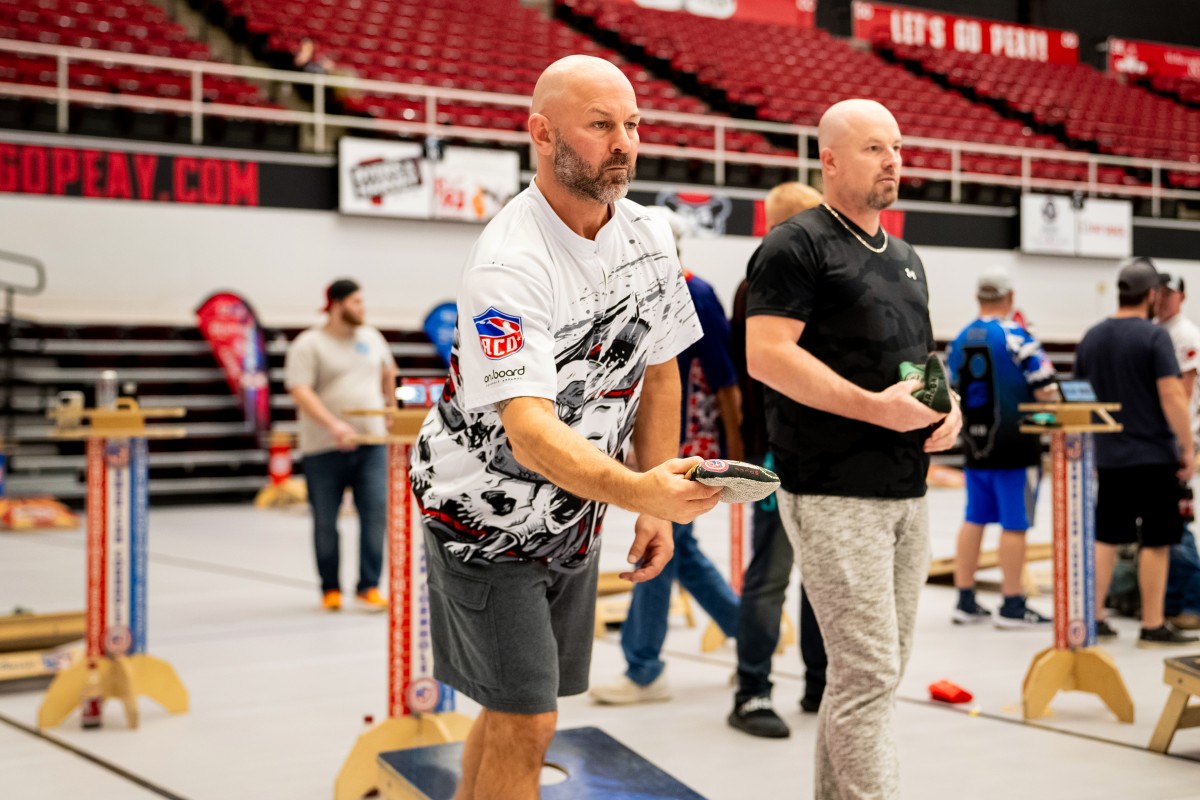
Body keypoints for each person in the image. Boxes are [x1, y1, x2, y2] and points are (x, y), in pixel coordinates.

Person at [408, 55, 723, 800]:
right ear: (542, 135)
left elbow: (662, 367)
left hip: (571, 510)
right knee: (531, 720)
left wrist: (651, 502)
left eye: (633, 124)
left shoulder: (650, 232)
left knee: (511, 704)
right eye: (601, 126)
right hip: (482, 517)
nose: (625, 143)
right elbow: (529, 431)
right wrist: (637, 489)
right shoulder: (509, 263)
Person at [745, 99, 962, 800]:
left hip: (908, 488)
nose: (893, 160)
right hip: (832, 489)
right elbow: (767, 356)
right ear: (830, 159)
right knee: (867, 675)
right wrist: (873, 410)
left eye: (896, 146)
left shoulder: (905, 257)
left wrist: (944, 403)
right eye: (874, 148)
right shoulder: (795, 244)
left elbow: (919, 357)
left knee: (871, 675)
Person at [589, 209, 742, 706]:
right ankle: (751, 634)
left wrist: (733, 448)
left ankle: (644, 665)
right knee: (682, 552)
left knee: (660, 544)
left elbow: (723, 381)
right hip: (659, 445)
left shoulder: (695, 294)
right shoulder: (640, 291)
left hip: (687, 446)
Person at [728, 181, 828, 740]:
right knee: (771, 576)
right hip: (776, 453)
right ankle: (752, 690)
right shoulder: (764, 283)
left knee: (818, 577)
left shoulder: (811, 282)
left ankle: (819, 682)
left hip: (818, 455)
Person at [1075, 257, 1198, 648]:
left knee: (1107, 537)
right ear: (1150, 295)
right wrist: (1188, 447)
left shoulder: (1092, 337)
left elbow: (1080, 400)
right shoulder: (1153, 336)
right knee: (1156, 541)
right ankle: (1152, 623)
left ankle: (1095, 618)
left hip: (1110, 458)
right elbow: (1172, 395)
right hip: (1154, 457)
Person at [946, 266, 1058, 628]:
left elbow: (949, 388)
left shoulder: (959, 339)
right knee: (1015, 523)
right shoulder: (1018, 337)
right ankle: (1012, 603)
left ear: (979, 298)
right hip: (1016, 447)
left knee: (974, 517)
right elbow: (1045, 387)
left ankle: (965, 599)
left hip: (975, 448)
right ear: (1010, 298)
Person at [284, 279, 398, 612]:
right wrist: (333, 425)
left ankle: (368, 586)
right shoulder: (309, 344)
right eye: (356, 302)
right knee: (325, 520)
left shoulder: (371, 337)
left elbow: (389, 371)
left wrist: (390, 410)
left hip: (371, 444)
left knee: (375, 513)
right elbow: (300, 390)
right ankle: (330, 588)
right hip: (324, 448)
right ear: (336, 304)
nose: (362, 308)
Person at [1154, 271, 1200, 631]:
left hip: (1180, 442)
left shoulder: (1185, 334)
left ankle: (1192, 606)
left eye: (1170, 294)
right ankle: (1169, 602)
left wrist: (1186, 446)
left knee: (1179, 530)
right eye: (1159, 293)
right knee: (1165, 529)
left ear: (1181, 297)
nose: (1163, 299)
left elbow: (1182, 393)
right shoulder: (1156, 331)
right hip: (1161, 442)